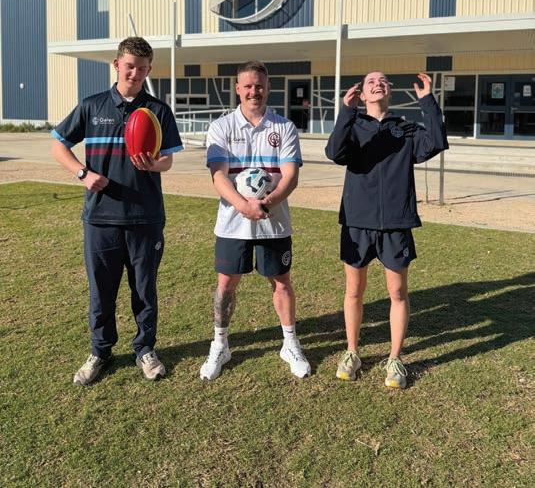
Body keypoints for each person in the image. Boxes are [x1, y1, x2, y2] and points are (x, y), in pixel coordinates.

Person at [51, 37, 182, 386]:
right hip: (101, 218)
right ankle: (100, 351)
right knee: (101, 291)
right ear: (116, 65)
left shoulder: (157, 110)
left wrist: (155, 164)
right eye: (129, 66)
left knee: (144, 290)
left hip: (145, 217)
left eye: (142, 68)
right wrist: (82, 173)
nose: (135, 73)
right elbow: (59, 144)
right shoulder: (92, 106)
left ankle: (145, 350)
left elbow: (168, 160)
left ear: (149, 70)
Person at [325, 71, 448, 388]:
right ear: (363, 94)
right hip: (357, 222)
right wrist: (346, 111)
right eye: (370, 82)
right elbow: (334, 152)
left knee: (397, 293)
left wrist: (427, 101)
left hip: (396, 223)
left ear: (389, 91)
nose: (377, 84)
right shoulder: (353, 126)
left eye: (382, 81)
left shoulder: (405, 129)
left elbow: (436, 142)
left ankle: (394, 358)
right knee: (354, 291)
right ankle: (352, 352)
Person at [200, 60, 311, 380]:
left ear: (268, 88)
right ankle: (220, 344)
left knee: (281, 281)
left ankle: (290, 343)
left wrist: (266, 203)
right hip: (232, 223)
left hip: (273, 222)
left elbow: (290, 176)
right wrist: (243, 206)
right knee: (226, 284)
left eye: (259, 86)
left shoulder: (284, 127)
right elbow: (218, 176)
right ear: (238, 89)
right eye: (247, 86)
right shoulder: (221, 127)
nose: (254, 91)